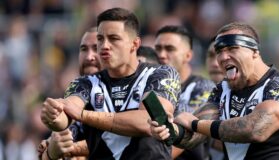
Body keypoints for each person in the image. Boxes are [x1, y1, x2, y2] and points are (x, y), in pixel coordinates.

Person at [150, 22, 279, 160]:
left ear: (254, 51)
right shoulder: (223, 89)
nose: (223, 57)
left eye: (232, 48)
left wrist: (195, 123)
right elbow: (195, 137)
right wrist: (170, 131)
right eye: (219, 51)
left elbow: (255, 129)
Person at [40, 7, 181, 160]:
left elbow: (148, 121)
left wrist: (83, 115)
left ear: (134, 44)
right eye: (100, 39)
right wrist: (54, 115)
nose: (104, 46)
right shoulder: (86, 83)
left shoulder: (160, 75)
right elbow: (66, 114)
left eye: (114, 38)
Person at [38, 27, 100, 160]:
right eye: (84, 49)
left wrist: (73, 149)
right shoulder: (77, 91)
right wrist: (51, 154)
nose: (89, 56)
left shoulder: (131, 95)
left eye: (96, 48)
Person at [154, 25, 215, 160]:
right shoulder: (149, 85)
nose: (161, 55)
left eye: (170, 49)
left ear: (188, 55)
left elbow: (189, 131)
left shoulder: (204, 88)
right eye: (158, 48)